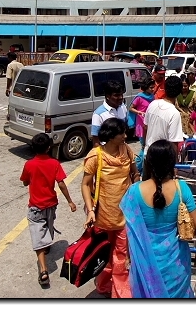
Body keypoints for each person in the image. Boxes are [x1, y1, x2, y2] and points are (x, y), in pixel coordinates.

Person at [120, 139, 196, 297]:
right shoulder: (181, 187)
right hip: (176, 262)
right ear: (172, 162)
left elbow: (130, 230)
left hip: (144, 262)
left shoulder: (134, 192)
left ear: (148, 162)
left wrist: (128, 256)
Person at [81, 118, 140, 298]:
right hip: (102, 216)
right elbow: (85, 184)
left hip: (124, 216)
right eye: (122, 133)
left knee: (121, 254)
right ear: (112, 136)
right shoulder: (95, 156)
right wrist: (90, 211)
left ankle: (120, 292)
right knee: (104, 254)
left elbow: (134, 173)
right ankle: (105, 285)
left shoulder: (127, 151)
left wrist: (135, 189)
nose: (125, 135)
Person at [20, 133, 77, 288]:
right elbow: (62, 184)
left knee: (37, 235)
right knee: (48, 227)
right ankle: (46, 249)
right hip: (51, 204)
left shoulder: (29, 165)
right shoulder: (54, 163)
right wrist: (70, 202)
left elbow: (25, 182)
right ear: (48, 147)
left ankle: (44, 270)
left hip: (35, 207)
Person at [143, 75, 185, 159]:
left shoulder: (153, 104)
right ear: (180, 91)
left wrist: (145, 146)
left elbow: (145, 127)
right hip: (163, 159)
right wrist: (175, 165)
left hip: (148, 154)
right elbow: (174, 143)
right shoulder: (174, 113)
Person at [91, 80, 128, 148]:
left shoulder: (123, 108)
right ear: (108, 96)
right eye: (116, 95)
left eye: (121, 94)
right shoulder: (98, 114)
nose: (120, 97)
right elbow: (96, 141)